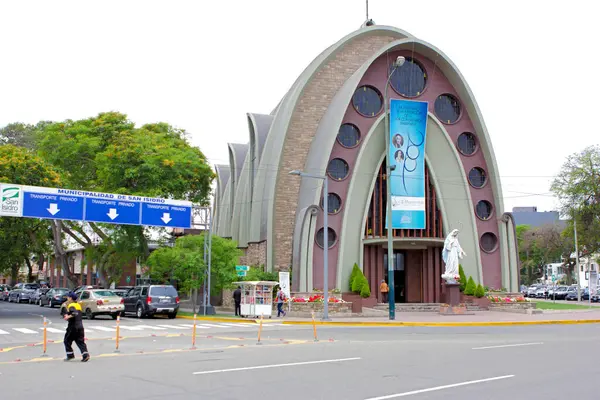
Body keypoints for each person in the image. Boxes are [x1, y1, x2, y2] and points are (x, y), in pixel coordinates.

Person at [63, 292, 90, 362]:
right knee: (80, 341)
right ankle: (85, 355)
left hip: (73, 327)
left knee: (67, 340)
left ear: (71, 298)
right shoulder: (78, 305)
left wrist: (67, 317)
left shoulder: (71, 305)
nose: (67, 298)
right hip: (80, 326)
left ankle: (70, 355)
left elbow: (74, 313)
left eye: (68, 297)